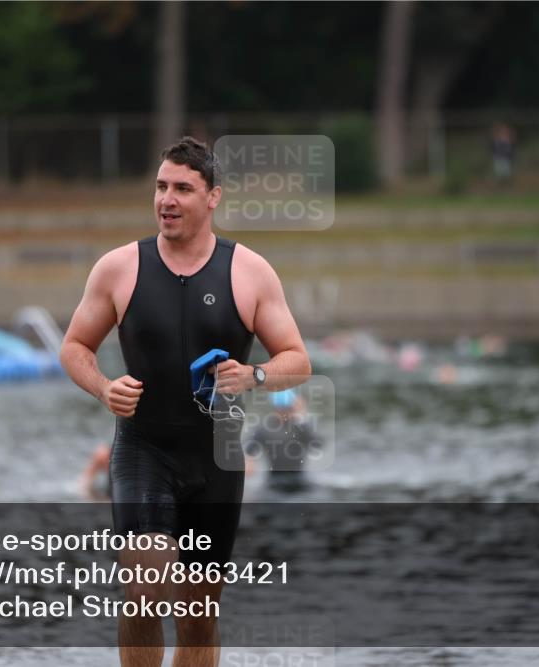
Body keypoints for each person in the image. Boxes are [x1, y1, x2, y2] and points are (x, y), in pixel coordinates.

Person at [59, 136, 311, 667]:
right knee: (144, 591)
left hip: (216, 460)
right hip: (143, 451)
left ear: (213, 197)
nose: (166, 200)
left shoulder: (249, 272)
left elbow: (297, 360)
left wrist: (254, 374)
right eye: (160, 187)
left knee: (198, 615)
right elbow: (74, 346)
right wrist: (104, 387)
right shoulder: (119, 268)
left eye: (182, 189)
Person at [243, 389, 323, 493]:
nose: (286, 413)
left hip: (299, 478)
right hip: (274, 480)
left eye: (289, 409)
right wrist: (249, 461)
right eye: (282, 409)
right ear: (276, 409)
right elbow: (250, 446)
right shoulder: (265, 428)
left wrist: (301, 419)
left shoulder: (301, 427)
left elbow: (317, 444)